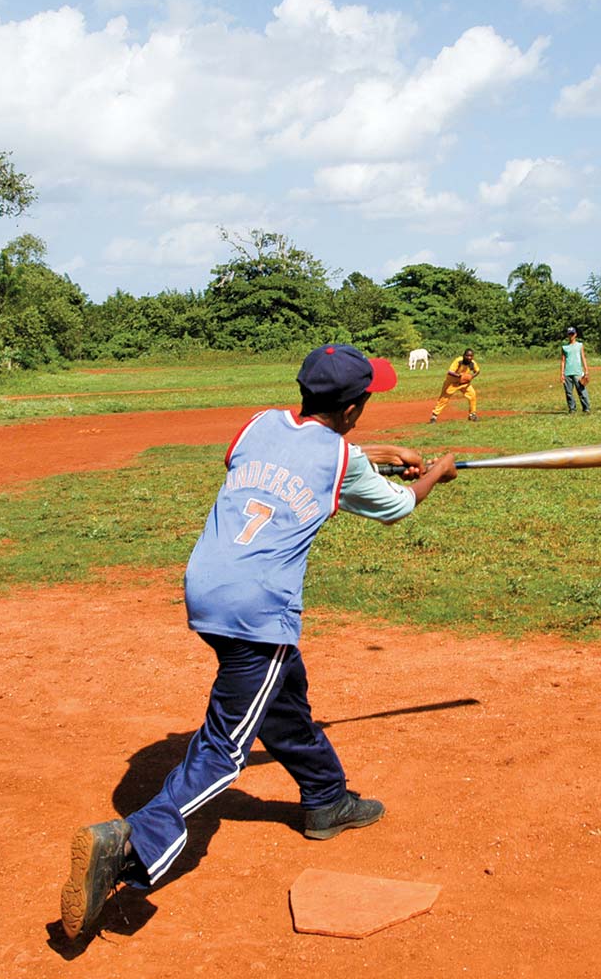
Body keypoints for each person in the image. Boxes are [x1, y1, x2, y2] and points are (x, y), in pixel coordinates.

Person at [59, 343, 458, 943]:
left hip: (208, 590)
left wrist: (379, 454)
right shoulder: (343, 459)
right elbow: (397, 507)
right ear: (352, 409)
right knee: (225, 744)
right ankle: (133, 842)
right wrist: (433, 474)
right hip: (257, 607)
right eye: (367, 400)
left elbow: (304, 458)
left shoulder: (262, 424)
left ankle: (327, 800)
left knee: (282, 695)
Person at [430, 348, 480, 423]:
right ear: (464, 355)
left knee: (472, 395)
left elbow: (478, 371)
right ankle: (434, 416)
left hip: (463, 383)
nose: (469, 357)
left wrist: (471, 377)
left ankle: (472, 414)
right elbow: (450, 372)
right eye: (467, 355)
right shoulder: (458, 361)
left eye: (471, 356)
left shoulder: (472, 363)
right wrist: (460, 376)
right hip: (451, 383)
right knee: (444, 399)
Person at [559, 327, 591, 414]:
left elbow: (583, 357)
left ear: (575, 334)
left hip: (578, 372)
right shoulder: (564, 347)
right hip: (567, 372)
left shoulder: (580, 345)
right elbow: (563, 361)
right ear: (567, 335)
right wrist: (562, 374)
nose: (571, 336)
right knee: (569, 393)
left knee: (581, 391)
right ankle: (572, 409)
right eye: (569, 334)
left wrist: (586, 370)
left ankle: (586, 408)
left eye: (572, 334)